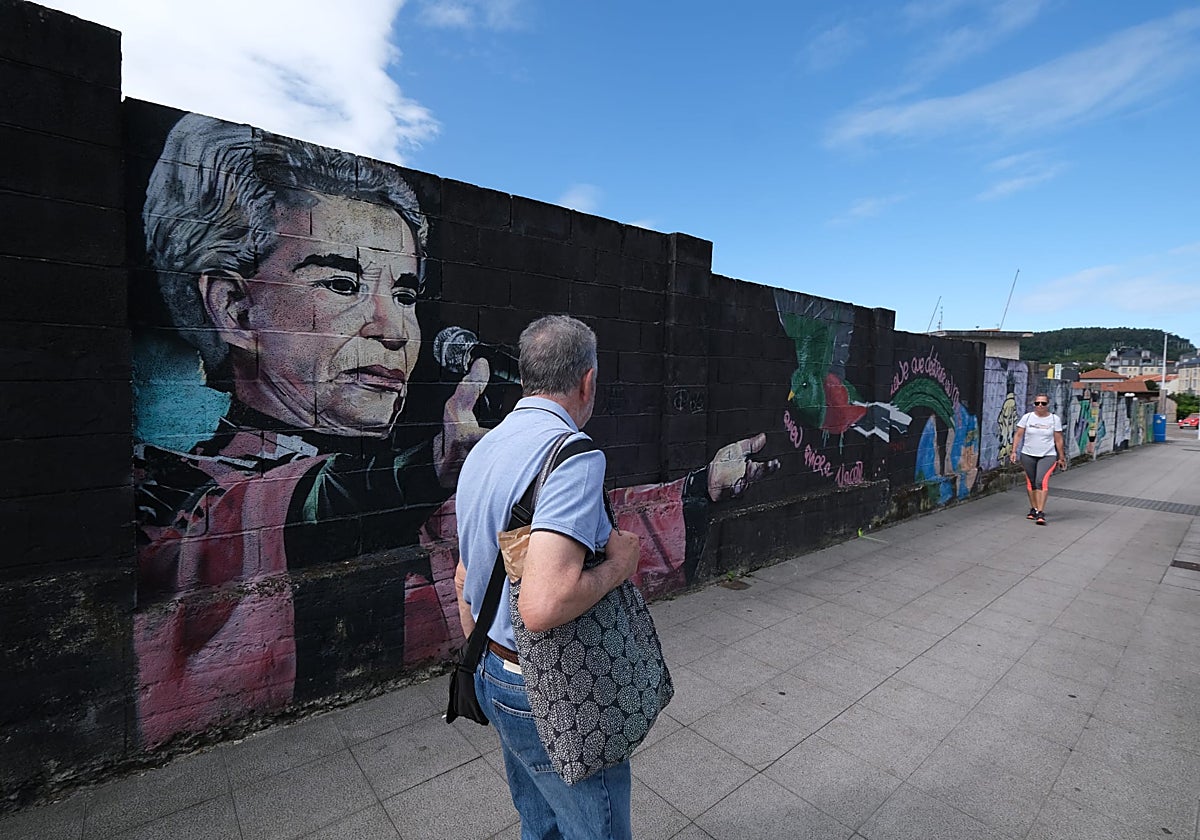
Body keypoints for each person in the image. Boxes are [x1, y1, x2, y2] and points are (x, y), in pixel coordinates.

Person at [134, 113, 489, 745]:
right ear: (235, 308)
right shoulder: (170, 497)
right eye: (341, 283)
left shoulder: (438, 484)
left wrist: (702, 488)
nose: (394, 329)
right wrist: (430, 467)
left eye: (404, 294)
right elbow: (264, 519)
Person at [453, 315, 641, 840]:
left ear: (526, 377)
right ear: (587, 381)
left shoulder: (484, 448)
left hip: (495, 668)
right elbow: (542, 605)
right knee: (595, 828)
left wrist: (487, 657)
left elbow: (463, 574)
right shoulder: (573, 456)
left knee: (540, 823)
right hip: (550, 690)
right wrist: (620, 566)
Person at [1010, 394, 1066, 525]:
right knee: (1031, 482)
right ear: (1034, 404)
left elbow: (1058, 439)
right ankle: (1034, 508)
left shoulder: (1054, 419)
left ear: (1048, 405)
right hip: (1028, 454)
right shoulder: (1027, 417)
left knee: (1041, 481)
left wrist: (1061, 457)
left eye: (1043, 403)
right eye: (1037, 403)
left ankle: (1041, 512)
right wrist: (1013, 451)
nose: (1040, 406)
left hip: (1048, 455)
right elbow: (1018, 434)